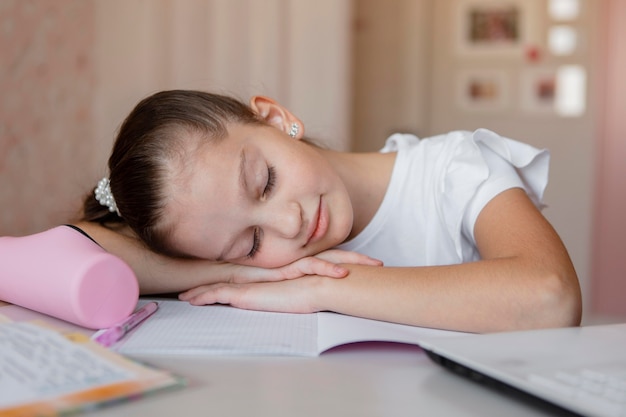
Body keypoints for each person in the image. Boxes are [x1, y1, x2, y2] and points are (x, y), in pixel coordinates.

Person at [76, 89, 582, 333]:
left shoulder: (455, 168)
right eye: (250, 242)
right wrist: (235, 270)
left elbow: (549, 298)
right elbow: (75, 242)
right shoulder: (261, 264)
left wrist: (318, 288)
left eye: (266, 182)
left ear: (276, 119)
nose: (288, 223)